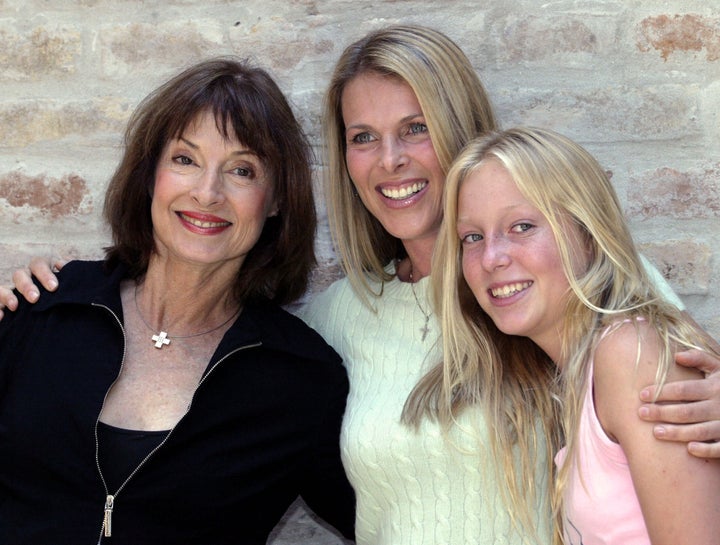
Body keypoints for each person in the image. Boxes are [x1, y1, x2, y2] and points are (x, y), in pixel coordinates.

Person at [3, 24, 720, 544]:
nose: (391, 161)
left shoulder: (554, 285)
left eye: (416, 128)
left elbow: (665, 390)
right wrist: (46, 293)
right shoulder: (332, 324)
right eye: (363, 136)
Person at [0, 57, 355, 544]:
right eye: (185, 160)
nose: (207, 193)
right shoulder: (47, 308)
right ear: (151, 176)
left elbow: (391, 523)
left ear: (275, 201)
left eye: (242, 170)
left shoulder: (301, 379)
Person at [435, 126, 720, 544]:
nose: (492, 257)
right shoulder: (576, 374)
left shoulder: (630, 353)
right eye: (473, 237)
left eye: (522, 226)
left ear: (588, 232)